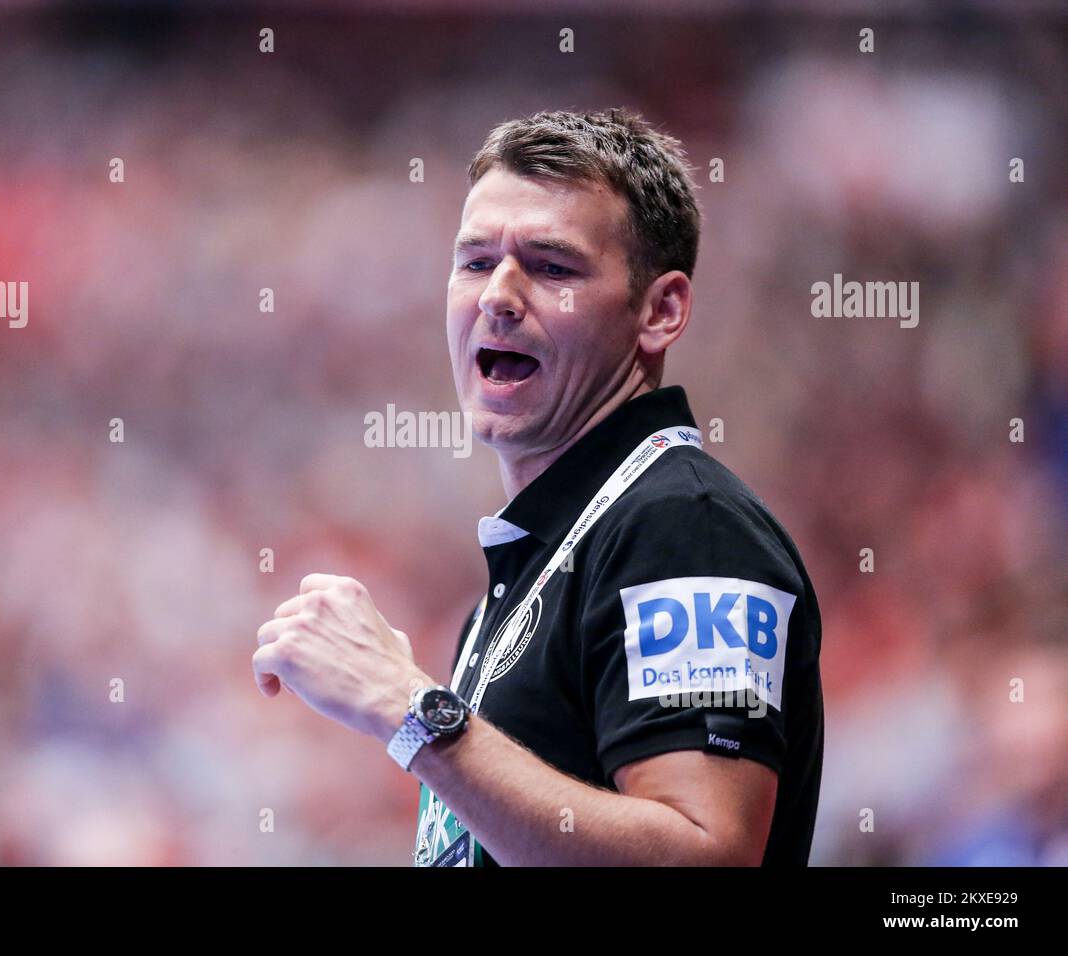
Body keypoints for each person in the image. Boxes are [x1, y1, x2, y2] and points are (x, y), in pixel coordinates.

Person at [254, 107, 823, 866]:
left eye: (552, 266)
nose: (499, 294)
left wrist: (405, 705)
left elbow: (706, 852)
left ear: (661, 310)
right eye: (476, 260)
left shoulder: (686, 527)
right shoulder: (551, 553)